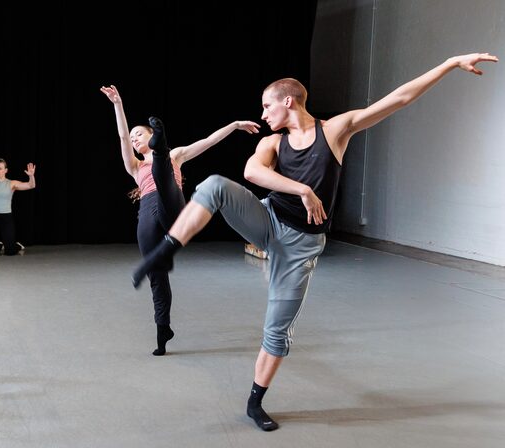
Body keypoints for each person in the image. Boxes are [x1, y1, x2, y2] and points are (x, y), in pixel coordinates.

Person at [131, 52, 498, 431]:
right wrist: (302, 188)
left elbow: (399, 99)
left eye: (266, 105)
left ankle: (255, 403)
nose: (263, 114)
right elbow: (251, 172)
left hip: (301, 248)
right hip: (269, 220)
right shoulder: (272, 143)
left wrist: (450, 63)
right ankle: (168, 247)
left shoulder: (336, 130)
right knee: (214, 186)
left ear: (288, 101)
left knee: (277, 331)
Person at [100, 85, 259, 355]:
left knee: (165, 178)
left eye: (140, 134)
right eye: (134, 137)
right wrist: (117, 104)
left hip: (172, 204)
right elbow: (121, 137)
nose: (135, 138)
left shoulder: (177, 155)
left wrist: (233, 125)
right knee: (156, 274)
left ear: (151, 136)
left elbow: (207, 142)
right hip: (147, 213)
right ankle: (163, 329)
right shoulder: (135, 166)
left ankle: (160, 147)